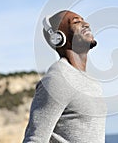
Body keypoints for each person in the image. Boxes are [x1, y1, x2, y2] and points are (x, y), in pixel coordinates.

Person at [23, 10, 106, 143]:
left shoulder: (93, 83)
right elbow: (35, 139)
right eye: (76, 22)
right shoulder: (57, 80)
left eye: (83, 19)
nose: (86, 24)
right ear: (58, 37)